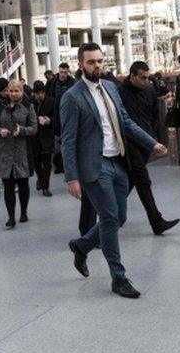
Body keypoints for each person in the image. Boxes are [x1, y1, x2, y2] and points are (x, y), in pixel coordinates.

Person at [62, 43, 168, 299]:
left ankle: (82, 245)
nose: (97, 65)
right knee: (109, 218)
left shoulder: (110, 87)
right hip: (94, 167)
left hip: (118, 162)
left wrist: (151, 143)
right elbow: (68, 140)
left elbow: (126, 122)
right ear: (80, 64)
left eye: (100, 61)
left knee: (119, 218)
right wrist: (72, 177)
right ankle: (118, 278)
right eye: (91, 62)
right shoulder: (72, 97)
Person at [117, 61, 180, 235]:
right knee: (143, 181)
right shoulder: (118, 93)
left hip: (146, 142)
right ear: (132, 76)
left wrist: (154, 140)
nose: (146, 80)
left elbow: (154, 117)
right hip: (129, 143)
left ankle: (109, 214)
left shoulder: (149, 91)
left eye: (148, 77)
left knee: (129, 182)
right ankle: (156, 221)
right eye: (143, 78)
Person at [0, 79, 38, 228]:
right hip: (5, 151)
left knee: (23, 184)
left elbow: (34, 127)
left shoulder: (28, 106)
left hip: (22, 151)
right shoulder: (1, 105)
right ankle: (11, 216)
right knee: (8, 185)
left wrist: (22, 130)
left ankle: (24, 212)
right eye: (11, 91)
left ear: (22, 91)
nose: (13, 93)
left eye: (16, 90)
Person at [32, 81, 56, 197]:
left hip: (47, 137)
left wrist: (49, 120)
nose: (40, 95)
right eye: (37, 93)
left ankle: (46, 187)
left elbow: (57, 117)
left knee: (47, 164)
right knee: (36, 162)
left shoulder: (51, 101)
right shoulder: (29, 102)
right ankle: (40, 178)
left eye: (42, 93)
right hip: (34, 138)